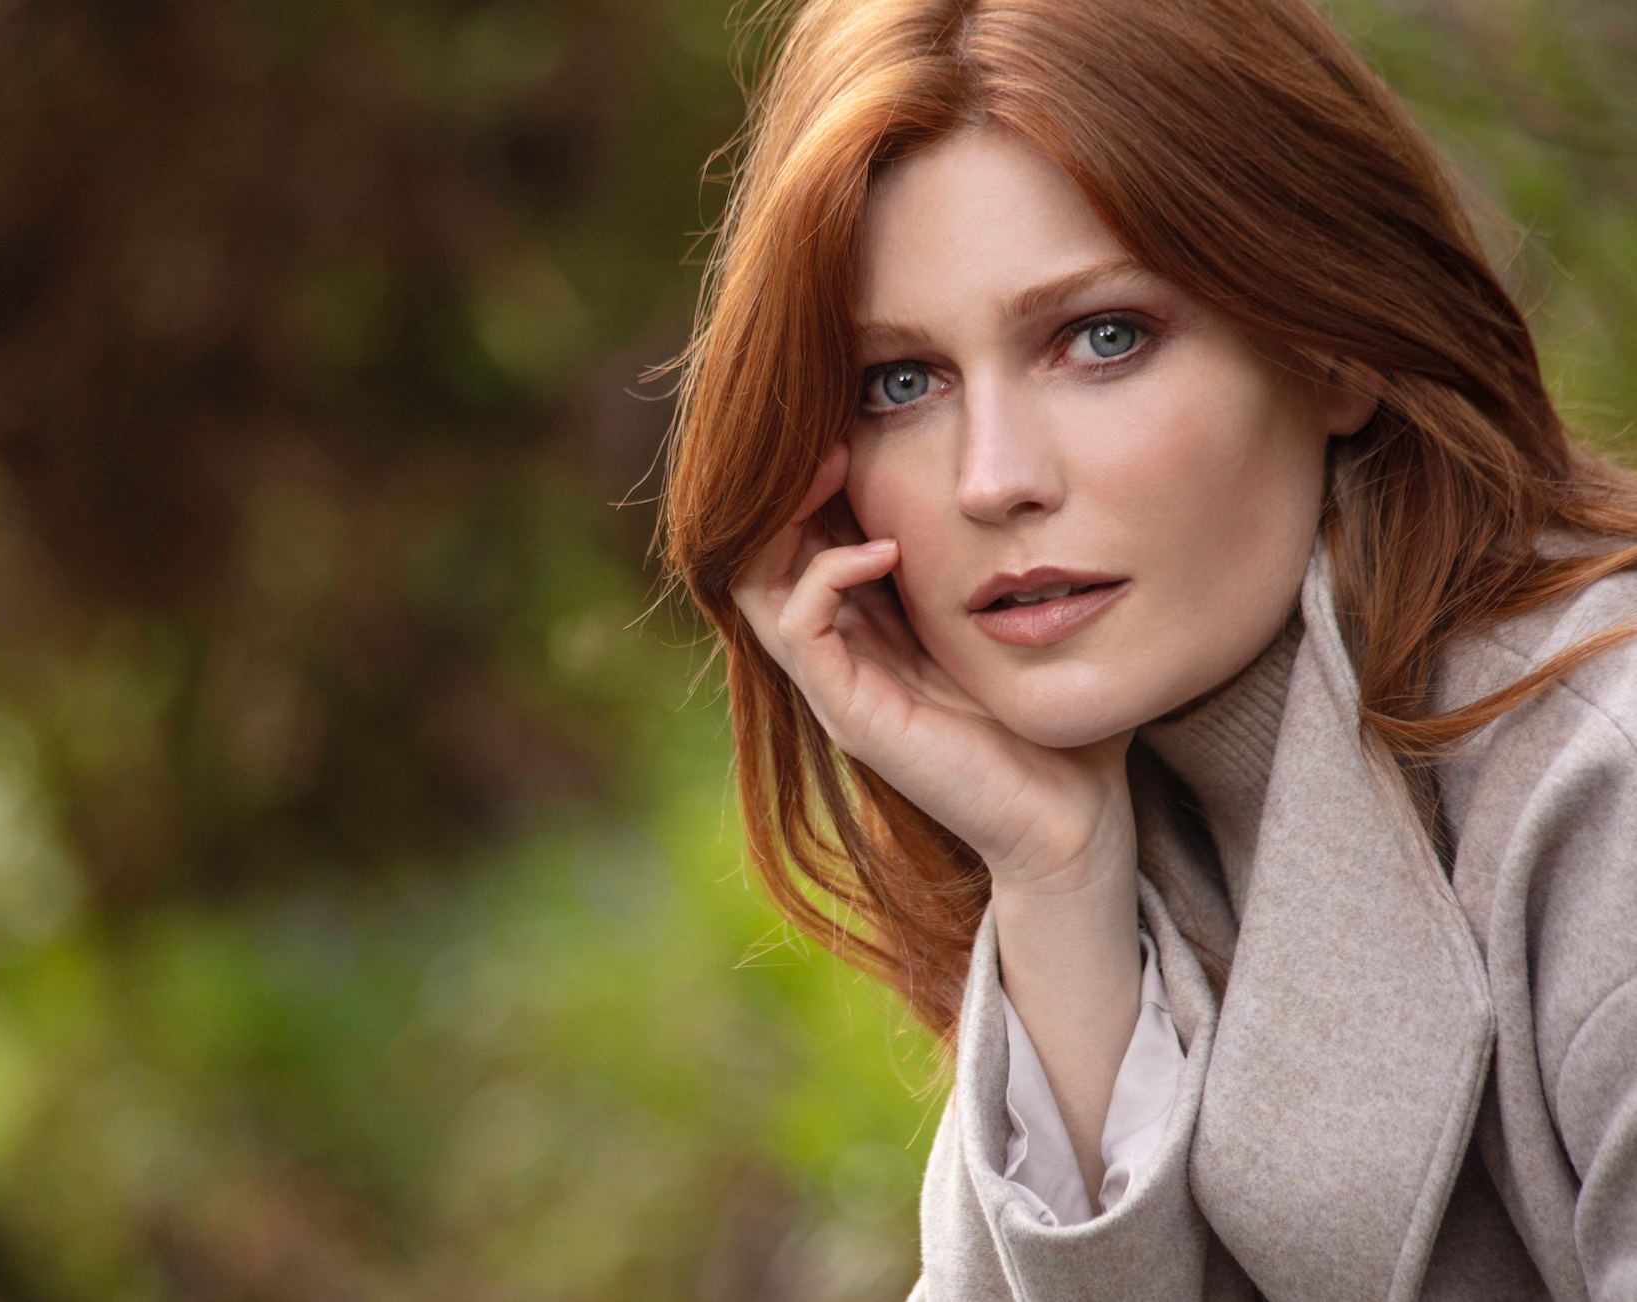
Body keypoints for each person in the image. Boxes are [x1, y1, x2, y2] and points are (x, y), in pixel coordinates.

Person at [658, 0, 1637, 1297]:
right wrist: (1055, 875)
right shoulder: (1125, 814)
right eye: (900, 382)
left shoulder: (1603, 779)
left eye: (1100, 337)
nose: (993, 479)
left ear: (1330, 342)